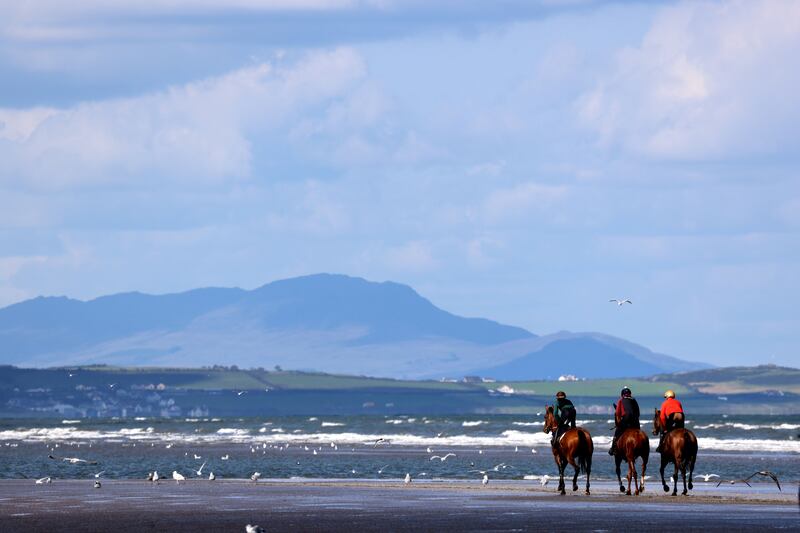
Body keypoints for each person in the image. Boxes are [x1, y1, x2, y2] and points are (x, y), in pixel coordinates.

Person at [609, 387, 640, 455]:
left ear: (622, 395)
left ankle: (613, 449)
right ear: (630, 394)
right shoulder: (634, 400)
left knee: (617, 432)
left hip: (626, 419)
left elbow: (617, 413)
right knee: (639, 432)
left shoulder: (621, 400)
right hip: (635, 421)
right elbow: (638, 412)